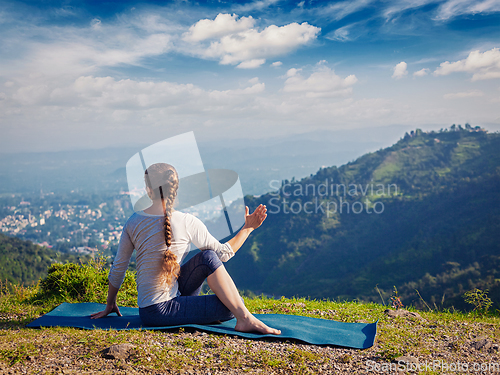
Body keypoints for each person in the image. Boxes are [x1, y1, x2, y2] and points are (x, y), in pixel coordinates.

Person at [91, 163, 281, 335]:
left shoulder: (133, 221)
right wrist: (247, 229)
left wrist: (110, 304)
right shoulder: (187, 221)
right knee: (229, 307)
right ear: (175, 188)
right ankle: (245, 319)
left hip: (149, 310)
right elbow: (224, 254)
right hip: (160, 312)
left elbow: (119, 268)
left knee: (207, 257)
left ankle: (240, 316)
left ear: (148, 190)